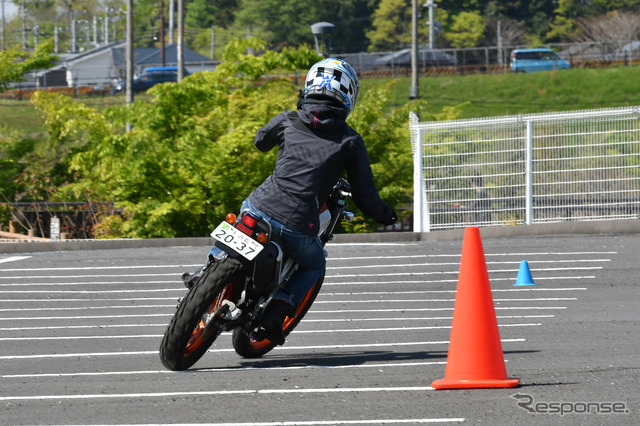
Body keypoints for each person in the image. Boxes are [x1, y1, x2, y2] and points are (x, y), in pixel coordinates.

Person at [215, 58, 397, 345]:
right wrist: (387, 216)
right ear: (349, 96)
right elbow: (365, 195)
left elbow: (261, 141)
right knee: (315, 264)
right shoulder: (350, 141)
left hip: (258, 205)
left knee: (239, 225)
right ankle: (277, 310)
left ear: (309, 85)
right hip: (298, 223)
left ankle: (209, 266)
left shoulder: (289, 119)